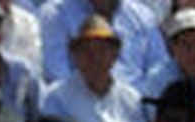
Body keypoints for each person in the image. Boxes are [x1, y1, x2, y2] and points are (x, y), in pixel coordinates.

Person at [39, 14, 150, 122]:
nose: (95, 58)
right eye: (87, 51)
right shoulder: (56, 96)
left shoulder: (131, 98)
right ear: (75, 55)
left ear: (115, 55)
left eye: (102, 50)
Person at [36, 0, 166, 92]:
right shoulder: (55, 13)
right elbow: (57, 75)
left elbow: (158, 73)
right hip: (78, 110)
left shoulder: (143, 16)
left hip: (138, 111)